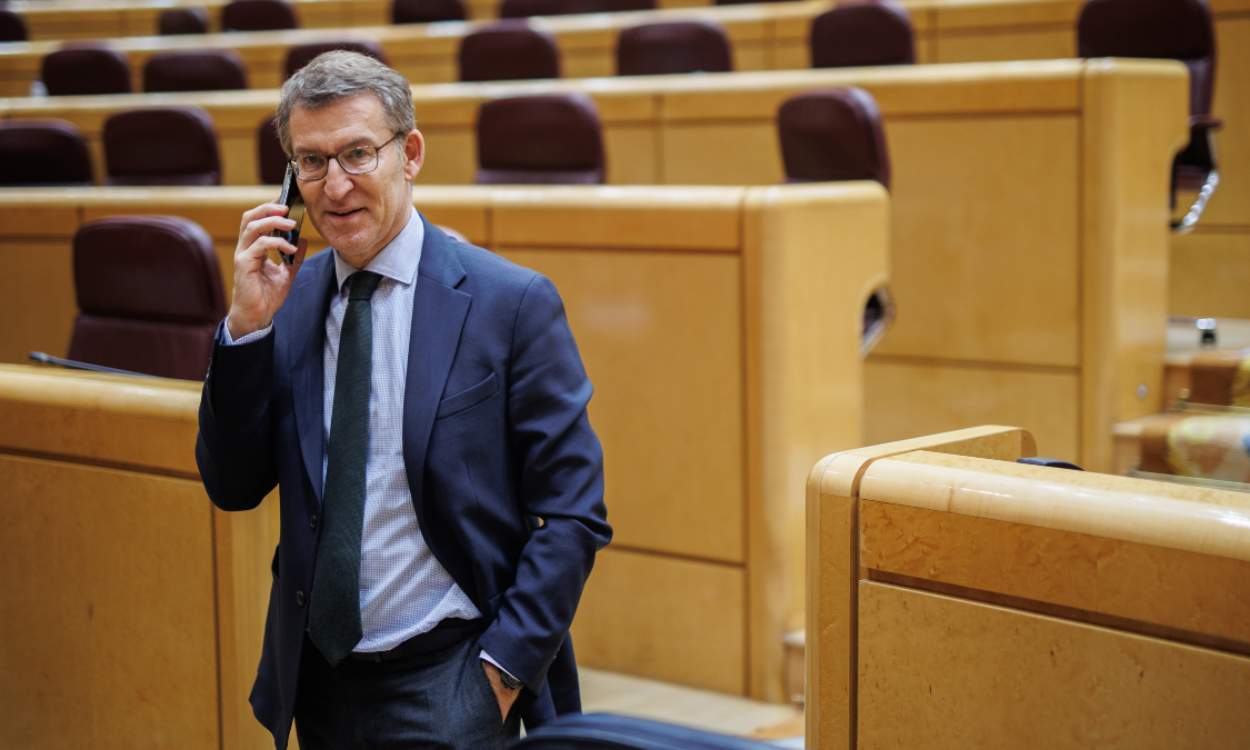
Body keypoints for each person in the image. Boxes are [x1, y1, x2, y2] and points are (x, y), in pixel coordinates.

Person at [195, 51, 610, 750]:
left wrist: (499, 674)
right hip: (320, 679)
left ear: (410, 153)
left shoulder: (509, 303)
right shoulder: (287, 307)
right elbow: (232, 485)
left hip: (453, 675)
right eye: (312, 162)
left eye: (358, 153)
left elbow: (574, 512)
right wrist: (245, 330)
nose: (335, 185)